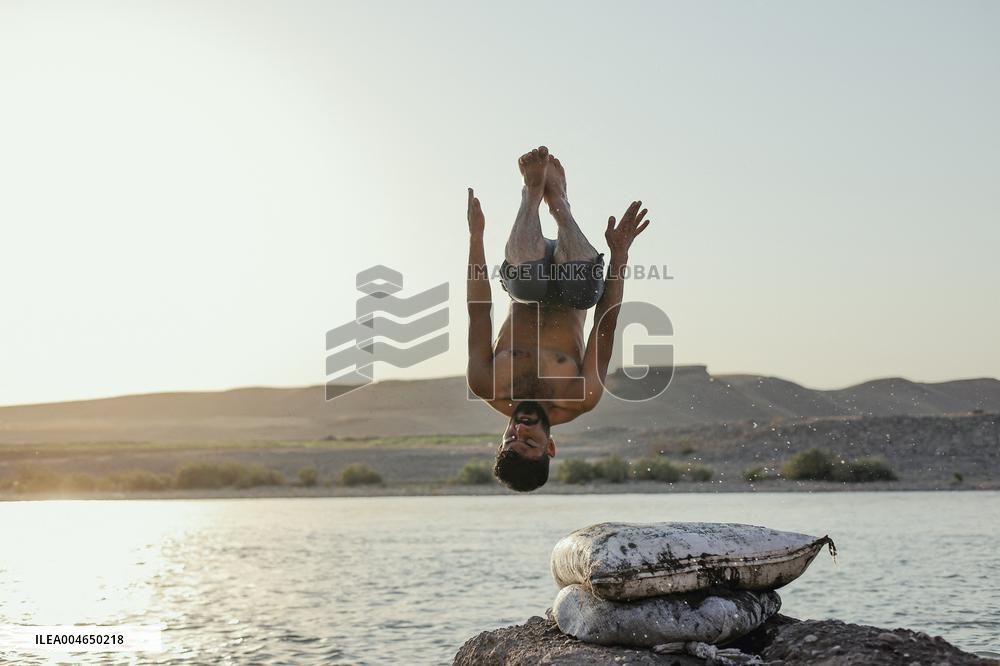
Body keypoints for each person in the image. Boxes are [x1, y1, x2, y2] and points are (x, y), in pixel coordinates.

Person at [466, 146, 651, 491]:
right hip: (573, 278)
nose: (520, 429)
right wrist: (619, 255)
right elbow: (605, 326)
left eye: (510, 440)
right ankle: (560, 204)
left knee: (529, 284)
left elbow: (478, 313)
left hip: (526, 276)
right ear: (550, 447)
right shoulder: (580, 397)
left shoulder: (487, 384)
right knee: (581, 291)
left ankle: (532, 192)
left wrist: (476, 237)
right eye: (531, 441)